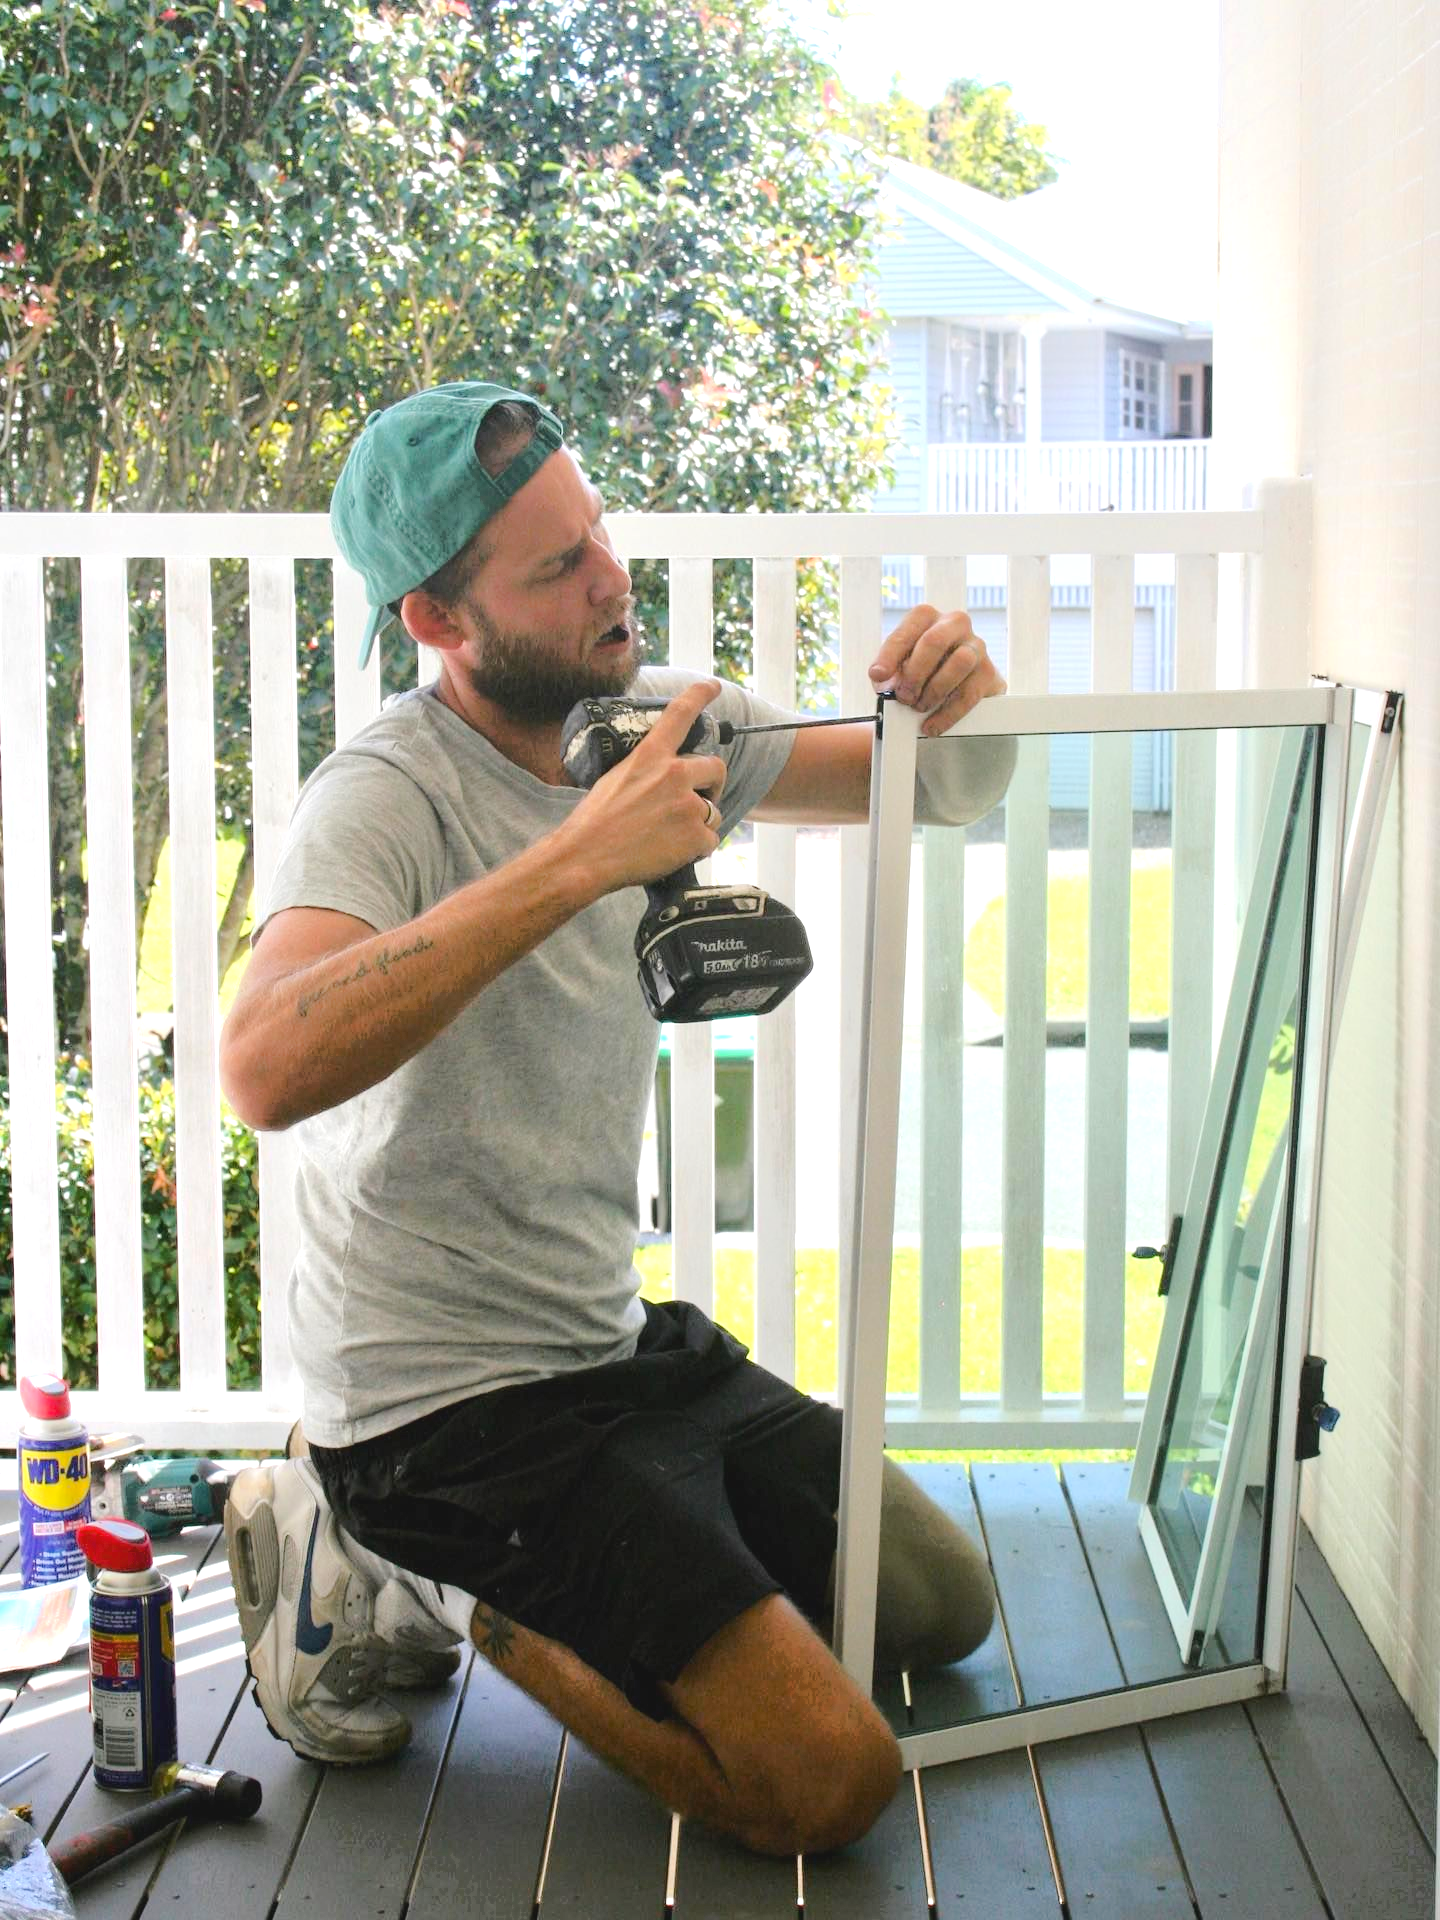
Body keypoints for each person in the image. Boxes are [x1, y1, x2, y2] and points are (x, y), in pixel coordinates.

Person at [218, 381, 1015, 1857]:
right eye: (554, 567)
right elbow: (263, 1065)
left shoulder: (660, 724)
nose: (608, 580)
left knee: (940, 1611)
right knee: (825, 1785)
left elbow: (937, 785)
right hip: (439, 1407)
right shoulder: (383, 798)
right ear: (441, 625)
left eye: (596, 533)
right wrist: (575, 864)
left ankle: (533, 1562)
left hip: (609, 1345)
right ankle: (419, 1569)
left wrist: (964, 696)